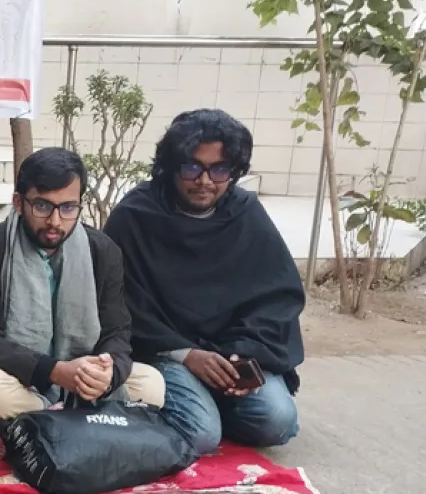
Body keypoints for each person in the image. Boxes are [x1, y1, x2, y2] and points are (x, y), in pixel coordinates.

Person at [104, 109, 304, 455]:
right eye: (192, 167)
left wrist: (242, 356)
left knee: (277, 421)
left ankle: (214, 400)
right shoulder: (136, 215)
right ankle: (198, 405)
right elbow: (119, 301)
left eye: (220, 169)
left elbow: (278, 295)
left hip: (233, 351)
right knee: (200, 435)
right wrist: (187, 355)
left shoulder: (246, 213)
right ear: (171, 166)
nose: (205, 181)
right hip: (167, 350)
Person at [0, 148, 167, 457]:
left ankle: (28, 429)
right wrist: (53, 371)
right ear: (19, 202)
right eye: (42, 206)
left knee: (151, 385)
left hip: (83, 382)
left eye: (68, 208)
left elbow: (117, 331)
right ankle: (85, 426)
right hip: (21, 378)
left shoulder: (102, 250)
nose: (55, 220)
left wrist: (108, 372)